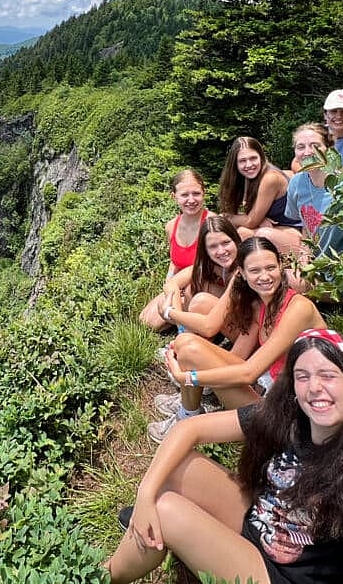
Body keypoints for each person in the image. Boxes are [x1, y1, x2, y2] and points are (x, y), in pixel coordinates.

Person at [104, 329, 343, 584]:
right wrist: (144, 494)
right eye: (303, 377)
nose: (315, 387)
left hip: (282, 577)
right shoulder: (292, 420)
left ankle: (101, 575)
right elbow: (188, 430)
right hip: (256, 528)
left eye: (328, 376)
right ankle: (157, 531)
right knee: (178, 466)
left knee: (167, 511)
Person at [148, 237, 325, 442]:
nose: (265, 276)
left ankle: (186, 415)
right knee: (186, 343)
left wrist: (188, 377)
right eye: (255, 270)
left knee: (190, 352)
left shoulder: (299, 308)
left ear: (281, 266)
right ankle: (188, 409)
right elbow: (239, 359)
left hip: (291, 416)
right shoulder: (262, 304)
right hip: (272, 388)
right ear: (242, 272)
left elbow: (248, 373)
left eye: (270, 268)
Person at [138, 169, 212, 331]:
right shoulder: (171, 226)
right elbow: (175, 261)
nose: (191, 200)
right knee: (146, 321)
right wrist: (169, 284)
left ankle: (185, 330)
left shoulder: (212, 223)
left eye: (196, 194)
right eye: (185, 195)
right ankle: (183, 321)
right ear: (174, 197)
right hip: (180, 286)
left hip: (206, 286)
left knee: (182, 302)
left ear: (204, 193)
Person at [140, 215, 241, 332]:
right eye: (213, 246)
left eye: (226, 242)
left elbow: (209, 325)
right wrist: (179, 321)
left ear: (235, 240)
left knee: (200, 301)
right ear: (206, 250)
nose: (221, 251)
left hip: (242, 327)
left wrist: (172, 313)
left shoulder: (243, 267)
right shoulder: (212, 264)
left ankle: (190, 335)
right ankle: (186, 330)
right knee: (149, 317)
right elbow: (172, 284)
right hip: (222, 314)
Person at [218, 136, 303, 254]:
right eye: (242, 161)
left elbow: (250, 221)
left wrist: (225, 216)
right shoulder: (247, 178)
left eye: (253, 158)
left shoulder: (270, 178)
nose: (249, 165)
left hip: (294, 231)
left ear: (261, 157)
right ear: (235, 164)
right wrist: (260, 218)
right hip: (277, 228)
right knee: (238, 232)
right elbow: (249, 215)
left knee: (249, 233)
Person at [285, 123, 343, 260]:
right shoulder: (296, 183)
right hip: (315, 258)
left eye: (315, 146)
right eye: (300, 147)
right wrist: (305, 251)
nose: (307, 152)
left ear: (330, 149)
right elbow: (306, 225)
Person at [290, 90, 343, 172]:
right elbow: (296, 163)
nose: (338, 116)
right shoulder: (318, 133)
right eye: (333, 111)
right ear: (325, 115)